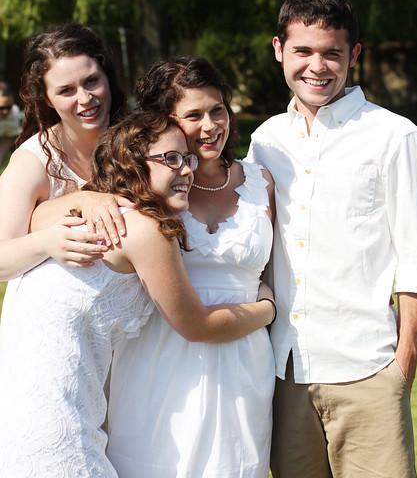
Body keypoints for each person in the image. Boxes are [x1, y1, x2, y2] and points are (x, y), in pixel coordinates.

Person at [0, 110, 276, 476]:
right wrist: (267, 307)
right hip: (57, 422)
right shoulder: (144, 230)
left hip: (20, 407)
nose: (187, 171)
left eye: (188, 158)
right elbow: (198, 325)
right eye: (171, 159)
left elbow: (40, 216)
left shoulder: (90, 211)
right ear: (132, 164)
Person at [246, 0, 417, 478]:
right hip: (284, 372)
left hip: (368, 369)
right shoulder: (265, 141)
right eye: (303, 50)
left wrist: (403, 365)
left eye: (332, 53)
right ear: (279, 49)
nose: (317, 66)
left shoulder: (395, 136)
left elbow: (416, 261)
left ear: (355, 54)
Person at [105, 57, 276, 477]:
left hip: (243, 366)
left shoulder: (262, 183)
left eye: (217, 109)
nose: (210, 125)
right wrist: (268, 309)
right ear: (165, 121)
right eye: (193, 115)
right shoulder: (146, 187)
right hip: (159, 361)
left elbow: (272, 270)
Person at [0, 23, 130, 340]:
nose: (85, 98)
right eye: (66, 91)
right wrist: (47, 242)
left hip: (131, 331)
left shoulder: (138, 143)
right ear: (47, 99)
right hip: (55, 335)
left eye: (91, 81)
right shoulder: (33, 161)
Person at [0, 81, 23, 168]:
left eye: (8, 107)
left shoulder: (14, 114)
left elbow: (7, 139)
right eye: (2, 108)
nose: (5, 112)